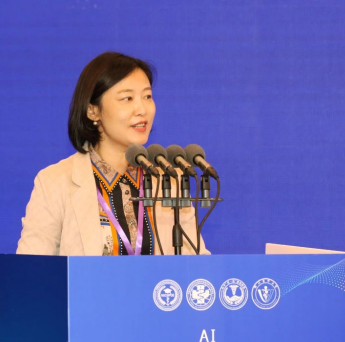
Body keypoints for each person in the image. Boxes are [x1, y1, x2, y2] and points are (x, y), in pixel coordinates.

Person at [17, 52, 208, 256]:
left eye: (147, 97)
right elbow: (31, 267)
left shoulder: (169, 180)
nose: (142, 109)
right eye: (127, 98)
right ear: (93, 111)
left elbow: (196, 263)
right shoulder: (56, 182)